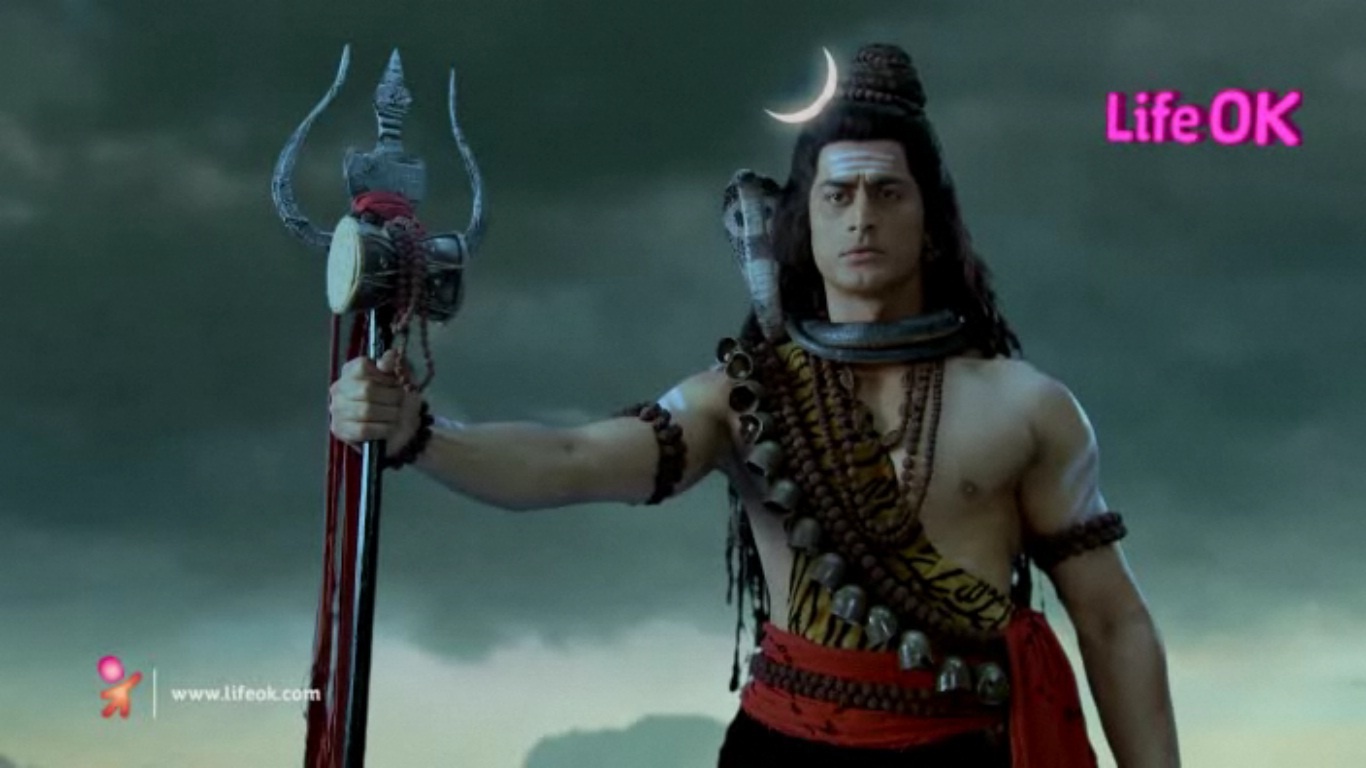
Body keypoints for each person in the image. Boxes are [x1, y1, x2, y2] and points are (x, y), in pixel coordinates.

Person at [328, 43, 1180, 767]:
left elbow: (1113, 622)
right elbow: (577, 458)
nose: (862, 217)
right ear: (802, 221)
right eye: (838, 195)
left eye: (887, 192)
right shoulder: (746, 398)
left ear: (930, 220)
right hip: (783, 752)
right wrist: (421, 435)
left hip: (960, 749)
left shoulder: (1030, 408)